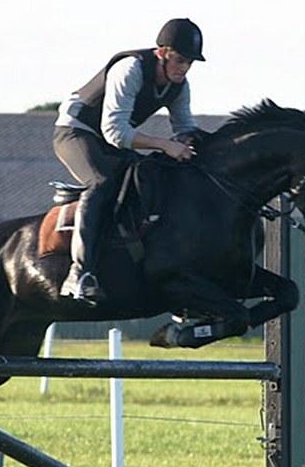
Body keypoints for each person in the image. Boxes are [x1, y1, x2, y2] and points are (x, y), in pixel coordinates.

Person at [53, 17, 206, 306]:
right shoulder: (131, 68)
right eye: (180, 60)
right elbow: (115, 132)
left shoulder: (179, 86)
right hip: (76, 131)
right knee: (101, 181)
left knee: (151, 176)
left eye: (189, 63)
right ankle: (80, 273)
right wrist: (166, 145)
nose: (184, 68)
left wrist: (189, 143)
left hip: (110, 137)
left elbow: (184, 127)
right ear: (161, 52)